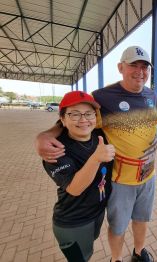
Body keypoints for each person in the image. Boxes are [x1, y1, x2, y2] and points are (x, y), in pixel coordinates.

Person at [35, 46, 157, 262]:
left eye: (145, 67)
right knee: (119, 225)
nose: (140, 71)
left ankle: (138, 252)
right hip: (121, 178)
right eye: (134, 65)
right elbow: (77, 118)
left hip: (148, 175)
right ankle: (116, 259)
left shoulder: (152, 94)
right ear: (120, 67)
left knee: (142, 219)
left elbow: (156, 118)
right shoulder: (103, 97)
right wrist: (44, 135)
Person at [42, 91, 115, 261]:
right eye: (74, 114)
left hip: (96, 214)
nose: (83, 120)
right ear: (63, 119)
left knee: (88, 250)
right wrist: (96, 158)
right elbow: (75, 188)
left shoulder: (100, 136)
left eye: (88, 113)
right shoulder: (55, 150)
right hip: (73, 221)